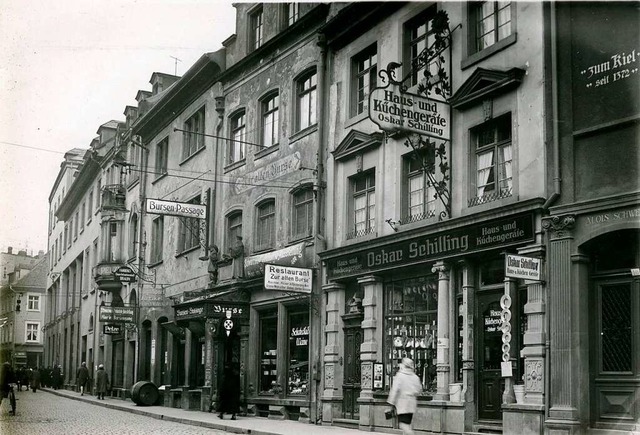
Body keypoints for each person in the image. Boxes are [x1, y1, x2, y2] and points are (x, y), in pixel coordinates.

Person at [387, 358, 422, 435]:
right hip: (412, 403)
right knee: (408, 423)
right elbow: (419, 390)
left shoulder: (400, 376)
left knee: (403, 424)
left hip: (402, 404)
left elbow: (394, 390)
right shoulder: (415, 377)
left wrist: (391, 402)